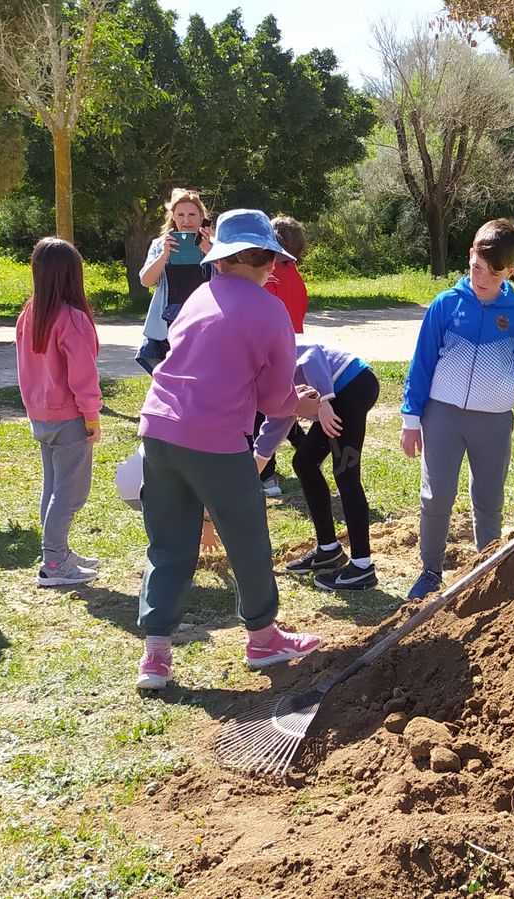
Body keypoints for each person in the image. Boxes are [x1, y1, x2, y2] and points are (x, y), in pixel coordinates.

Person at [133, 209, 320, 690]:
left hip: (158, 428)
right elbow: (273, 397)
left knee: (170, 541)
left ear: (220, 258)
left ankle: (156, 656)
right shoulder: (270, 310)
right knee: (247, 538)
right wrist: (302, 404)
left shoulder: (200, 295)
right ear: (269, 262)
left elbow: (182, 351)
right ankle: (262, 637)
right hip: (215, 438)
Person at [401, 219, 514, 601]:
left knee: (488, 500)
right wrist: (411, 419)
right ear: (470, 257)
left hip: (494, 422)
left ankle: (487, 571)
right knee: (437, 496)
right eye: (478, 268)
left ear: (510, 271)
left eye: (494, 273)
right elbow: (422, 362)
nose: (483, 279)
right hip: (442, 417)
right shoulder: (446, 304)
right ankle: (430, 571)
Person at [256, 339, 381, 591]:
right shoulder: (266, 395)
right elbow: (267, 442)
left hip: (353, 384)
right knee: (304, 462)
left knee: (345, 475)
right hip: (339, 394)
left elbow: (312, 353)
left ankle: (362, 568)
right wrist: (241, 487)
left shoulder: (269, 363)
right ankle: (328, 550)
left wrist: (324, 401)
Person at [16, 238, 103, 588]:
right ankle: (53, 561)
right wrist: (92, 416)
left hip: (40, 416)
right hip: (69, 418)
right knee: (70, 493)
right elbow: (84, 375)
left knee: (52, 487)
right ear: (73, 275)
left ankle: (58, 552)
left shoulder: (29, 312)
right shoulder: (72, 318)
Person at [251, 215, 311, 496]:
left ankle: (267, 476)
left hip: (271, 352)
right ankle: (310, 448)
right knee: (284, 410)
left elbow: (262, 312)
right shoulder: (295, 276)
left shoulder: (271, 277)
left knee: (263, 413)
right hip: (291, 350)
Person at [135, 188, 214, 373]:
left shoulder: (216, 245)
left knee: (201, 376)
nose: (187, 220)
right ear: (173, 217)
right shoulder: (160, 244)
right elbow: (146, 281)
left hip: (206, 321)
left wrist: (208, 249)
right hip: (168, 322)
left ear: (202, 216)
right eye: (181, 214)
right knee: (169, 378)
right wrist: (164, 255)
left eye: (192, 214)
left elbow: (230, 278)